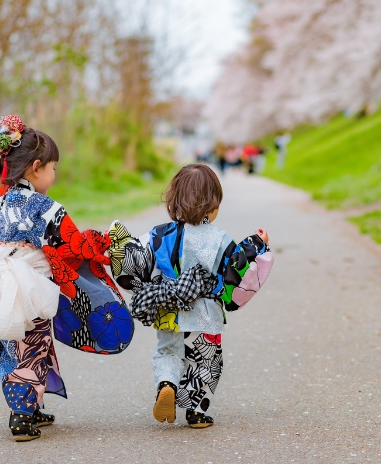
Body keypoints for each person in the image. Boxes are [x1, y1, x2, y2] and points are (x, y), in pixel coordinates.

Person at [0, 115, 133, 442]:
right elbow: (73, 245)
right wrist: (105, 241)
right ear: (36, 167)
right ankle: (21, 416)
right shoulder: (45, 207)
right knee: (34, 343)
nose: (54, 174)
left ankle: (27, 406)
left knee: (10, 345)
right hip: (31, 286)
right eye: (52, 168)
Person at [107, 164, 274, 428]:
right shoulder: (219, 239)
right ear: (214, 206)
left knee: (168, 352)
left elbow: (135, 258)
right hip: (204, 315)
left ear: (173, 201)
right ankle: (196, 411)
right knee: (205, 361)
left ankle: (167, 384)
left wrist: (116, 242)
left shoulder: (159, 235)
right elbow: (236, 268)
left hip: (168, 310)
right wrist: (256, 243)